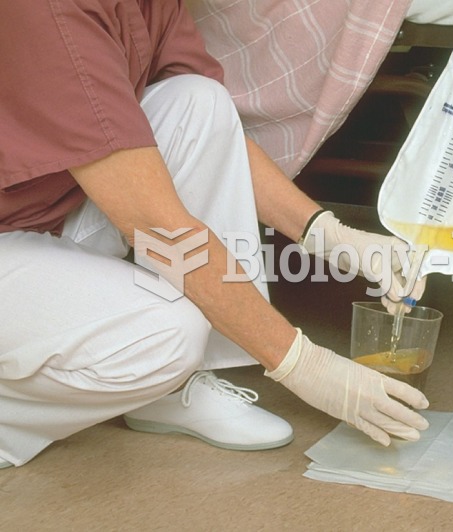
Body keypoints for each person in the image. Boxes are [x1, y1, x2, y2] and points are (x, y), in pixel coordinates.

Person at [0, 0, 428, 469]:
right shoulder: (47, 11)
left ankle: (175, 389)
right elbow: (161, 229)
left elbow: (213, 131)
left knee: (196, 99)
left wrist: (329, 233)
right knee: (165, 334)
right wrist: (303, 364)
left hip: (36, 210)